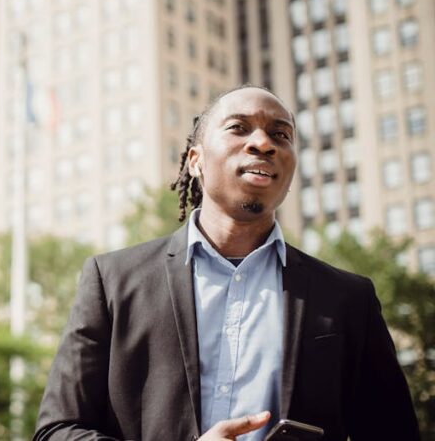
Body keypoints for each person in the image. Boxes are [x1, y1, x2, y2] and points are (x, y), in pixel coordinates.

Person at [33, 85, 419, 441]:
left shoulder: (349, 298)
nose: (263, 143)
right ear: (196, 161)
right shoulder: (112, 280)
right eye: (239, 128)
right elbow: (58, 431)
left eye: (280, 134)